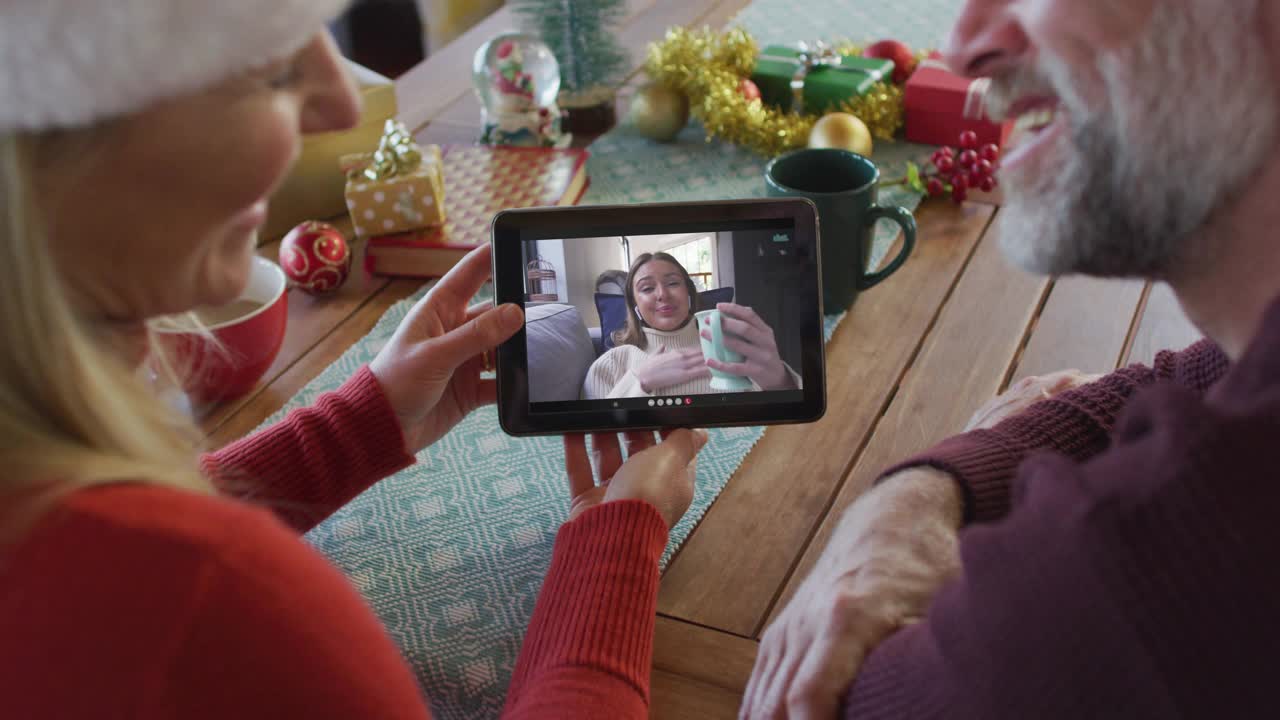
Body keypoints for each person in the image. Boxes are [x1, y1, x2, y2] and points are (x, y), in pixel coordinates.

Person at [0, 3, 705, 718]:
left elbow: (127, 584)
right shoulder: (216, 594)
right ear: (49, 141)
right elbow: (163, 589)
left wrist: (353, 427)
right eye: (270, 66)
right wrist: (617, 544)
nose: (342, 103)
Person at [742, 0, 1280, 718]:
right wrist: (922, 495)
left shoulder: (1110, 594)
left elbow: (837, 697)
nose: (962, 47)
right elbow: (1200, 376)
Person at [584, 252, 800, 399]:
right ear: (635, 305)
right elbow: (594, 446)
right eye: (647, 288)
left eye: (673, 283)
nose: (663, 294)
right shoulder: (611, 363)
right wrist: (640, 381)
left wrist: (783, 384)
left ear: (688, 293)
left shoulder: (736, 350)